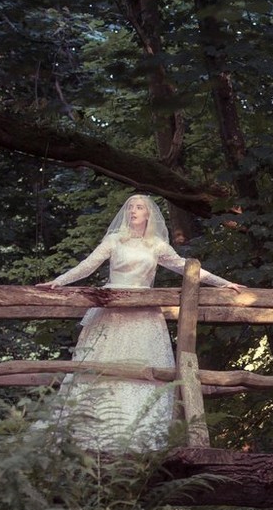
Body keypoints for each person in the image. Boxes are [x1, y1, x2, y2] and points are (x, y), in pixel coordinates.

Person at [38, 193, 238, 451]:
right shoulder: (114, 240)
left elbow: (184, 266)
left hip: (144, 313)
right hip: (112, 311)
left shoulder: (156, 245)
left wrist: (224, 283)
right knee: (103, 365)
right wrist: (59, 281)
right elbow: (88, 265)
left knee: (144, 367)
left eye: (139, 207)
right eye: (130, 206)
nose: (133, 210)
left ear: (148, 215)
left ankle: (140, 437)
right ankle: (90, 433)